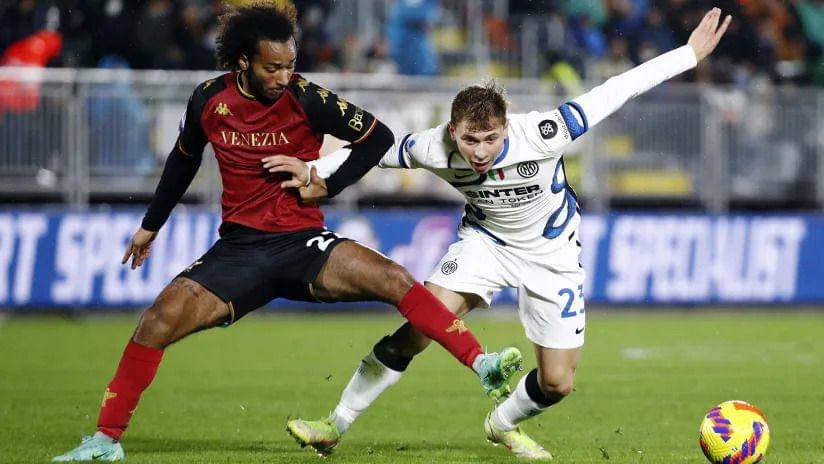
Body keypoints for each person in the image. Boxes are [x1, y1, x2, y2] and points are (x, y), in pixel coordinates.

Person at [52, 4, 522, 461]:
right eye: (272, 68)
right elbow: (183, 161)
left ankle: (481, 363)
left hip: (303, 244)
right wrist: (150, 226)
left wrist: (324, 182)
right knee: (156, 322)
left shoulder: (308, 98)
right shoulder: (209, 100)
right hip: (239, 251)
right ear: (243, 62)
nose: (284, 76)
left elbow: (377, 138)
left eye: (290, 65)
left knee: (395, 278)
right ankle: (105, 440)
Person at [269, 8, 731, 459]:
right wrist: (312, 169)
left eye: (491, 139)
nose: (480, 152)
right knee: (421, 326)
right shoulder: (433, 147)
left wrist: (688, 55)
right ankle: (335, 424)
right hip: (486, 244)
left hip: (553, 254)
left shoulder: (544, 133)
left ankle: (503, 424)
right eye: (470, 140)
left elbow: (617, 89)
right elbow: (372, 151)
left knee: (557, 382)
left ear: (506, 126)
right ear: (453, 131)